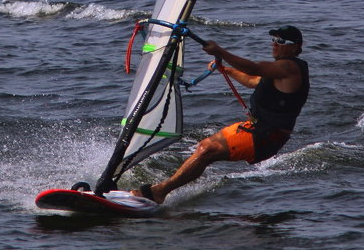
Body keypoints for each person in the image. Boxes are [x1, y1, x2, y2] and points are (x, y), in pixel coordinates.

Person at [131, 24, 309, 205]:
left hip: (267, 136)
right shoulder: (279, 70)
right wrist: (226, 69)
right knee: (204, 147)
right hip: (256, 128)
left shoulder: (289, 67)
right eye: (274, 40)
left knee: (207, 151)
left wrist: (220, 51)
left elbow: (254, 69)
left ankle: (159, 192)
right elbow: (253, 80)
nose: (275, 44)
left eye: (281, 41)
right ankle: (165, 189)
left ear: (296, 47)